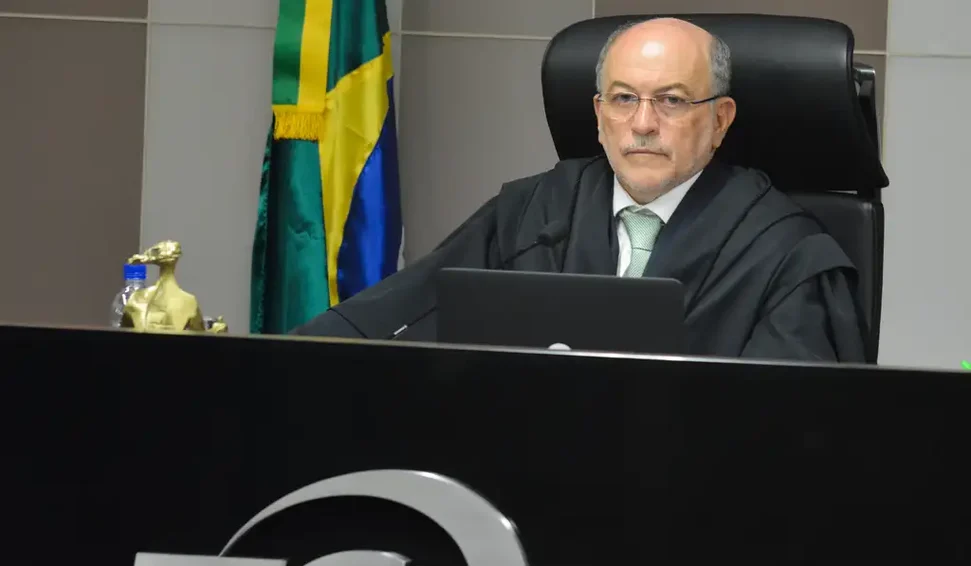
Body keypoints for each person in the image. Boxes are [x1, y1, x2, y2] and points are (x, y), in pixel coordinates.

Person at [293, 17, 868, 362]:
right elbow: (387, 320)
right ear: (598, 115)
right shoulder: (528, 213)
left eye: (671, 100)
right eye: (623, 99)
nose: (643, 124)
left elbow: (796, 433)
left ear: (720, 120)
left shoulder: (788, 254)